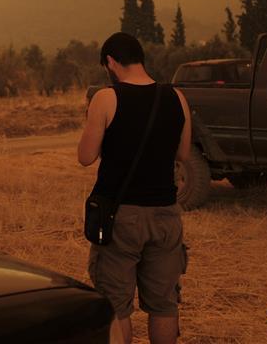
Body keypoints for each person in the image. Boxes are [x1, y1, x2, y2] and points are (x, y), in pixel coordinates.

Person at [78, 32, 192, 344]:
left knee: (116, 307)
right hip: (167, 216)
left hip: (122, 217)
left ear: (111, 62)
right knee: (164, 305)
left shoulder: (106, 98)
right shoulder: (176, 97)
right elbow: (182, 155)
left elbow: (85, 157)